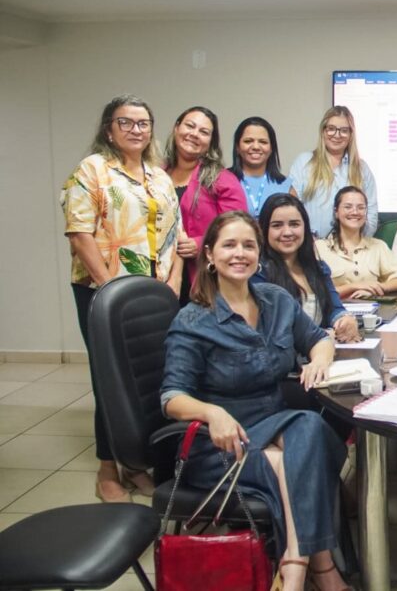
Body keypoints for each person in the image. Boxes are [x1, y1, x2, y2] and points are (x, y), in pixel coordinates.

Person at [162, 211, 352, 591]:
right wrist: (211, 411)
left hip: (275, 424)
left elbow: (319, 338)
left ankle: (293, 567)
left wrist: (320, 358)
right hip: (221, 442)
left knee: (308, 428)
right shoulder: (193, 320)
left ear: (259, 254)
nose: (240, 253)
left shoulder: (276, 300)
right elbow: (171, 398)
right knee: (303, 452)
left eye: (249, 245)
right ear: (210, 256)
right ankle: (322, 569)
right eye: (229, 245)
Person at [61, 94, 182, 503]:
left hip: (154, 295)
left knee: (147, 380)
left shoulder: (160, 177)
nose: (136, 130)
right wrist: (111, 289)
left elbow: (175, 238)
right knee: (109, 380)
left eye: (143, 123)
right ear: (109, 128)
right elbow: (80, 233)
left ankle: (135, 463)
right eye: (126, 122)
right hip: (104, 293)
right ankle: (107, 471)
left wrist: (173, 287)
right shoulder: (92, 170)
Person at [164, 106, 247, 303]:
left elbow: (239, 229)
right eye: (190, 126)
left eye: (204, 132)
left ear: (210, 143)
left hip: (203, 278)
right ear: (176, 128)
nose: (194, 134)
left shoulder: (222, 180)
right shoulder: (155, 174)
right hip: (158, 276)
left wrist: (200, 244)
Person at [254, 194, 360, 342]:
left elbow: (334, 308)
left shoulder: (319, 268)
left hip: (324, 355)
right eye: (277, 225)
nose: (287, 232)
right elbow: (273, 330)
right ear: (264, 229)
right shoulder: (258, 273)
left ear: (305, 227)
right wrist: (320, 336)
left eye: (294, 224)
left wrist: (344, 319)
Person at [289, 105, 378, 237]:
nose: (337, 135)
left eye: (343, 130)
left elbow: (371, 216)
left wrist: (356, 244)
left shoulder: (362, 169)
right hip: (311, 247)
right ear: (323, 131)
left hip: (350, 250)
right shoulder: (304, 162)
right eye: (331, 129)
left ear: (351, 134)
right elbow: (292, 208)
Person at [315, 187, 397, 299]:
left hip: (372, 313)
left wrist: (379, 288)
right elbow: (313, 292)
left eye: (361, 208)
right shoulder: (319, 248)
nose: (355, 212)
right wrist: (353, 287)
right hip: (334, 313)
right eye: (348, 207)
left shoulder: (378, 246)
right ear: (336, 212)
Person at [230, 116, 294, 217]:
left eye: (263, 142)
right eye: (248, 141)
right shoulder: (222, 181)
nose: (256, 147)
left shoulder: (286, 187)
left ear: (271, 148)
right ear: (237, 147)